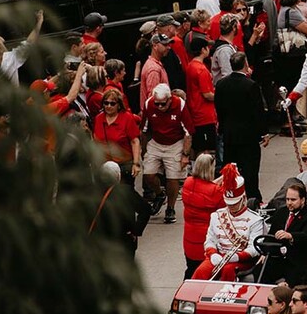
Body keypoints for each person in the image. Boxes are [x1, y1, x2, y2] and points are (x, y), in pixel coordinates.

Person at [191, 163, 266, 281]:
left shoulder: (255, 220)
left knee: (228, 270)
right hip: (218, 256)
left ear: (243, 198)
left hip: (240, 260)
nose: (231, 207)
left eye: (235, 203)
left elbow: (254, 248)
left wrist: (236, 257)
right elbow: (209, 240)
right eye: (229, 203)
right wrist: (212, 253)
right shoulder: (217, 216)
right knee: (201, 271)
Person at [215, 52, 268, 203]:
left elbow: (219, 109)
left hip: (229, 134)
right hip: (248, 136)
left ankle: (230, 195)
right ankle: (253, 198)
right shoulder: (251, 85)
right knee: (250, 169)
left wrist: (223, 128)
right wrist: (264, 133)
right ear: (245, 64)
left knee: (230, 168)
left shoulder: (221, 84)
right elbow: (258, 111)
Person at [140, 83, 191, 223]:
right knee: (148, 174)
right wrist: (143, 150)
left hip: (175, 142)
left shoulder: (179, 104)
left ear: (169, 99)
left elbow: (188, 132)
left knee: (172, 177)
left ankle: (170, 207)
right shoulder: (149, 104)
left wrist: (185, 154)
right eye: (157, 104)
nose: (160, 107)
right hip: (156, 141)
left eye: (163, 104)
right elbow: (144, 130)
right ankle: (159, 194)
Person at [264, 181, 307, 284]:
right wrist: (264, 253)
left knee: (295, 276)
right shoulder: (281, 213)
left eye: (293, 200)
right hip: (279, 258)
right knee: (261, 270)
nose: (289, 203)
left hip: (299, 259)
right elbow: (270, 236)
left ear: (303, 200)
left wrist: (290, 236)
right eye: (287, 199)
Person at [181, 153, 226, 278]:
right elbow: (224, 210)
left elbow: (204, 188)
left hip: (189, 238)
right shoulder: (216, 191)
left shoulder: (188, 183)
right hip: (206, 239)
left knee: (190, 269)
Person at [91, 88, 142, 185]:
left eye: (112, 103)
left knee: (126, 194)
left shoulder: (127, 118)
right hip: (104, 165)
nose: (108, 106)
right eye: (106, 103)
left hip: (124, 165)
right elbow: (95, 141)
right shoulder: (98, 118)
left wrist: (136, 164)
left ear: (119, 105)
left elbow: (135, 141)